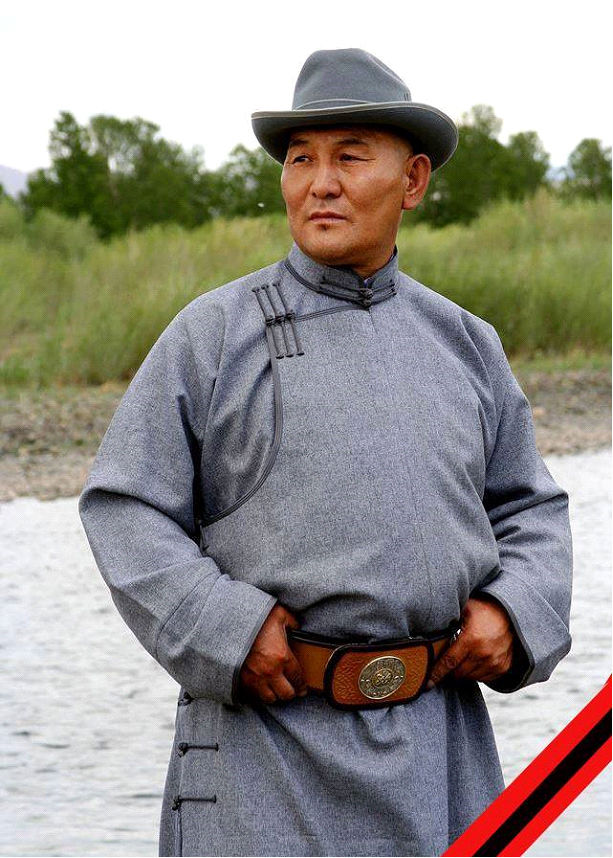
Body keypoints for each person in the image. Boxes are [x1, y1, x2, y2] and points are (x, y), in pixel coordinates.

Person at [78, 48, 573, 857]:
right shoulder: (212, 336)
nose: (320, 183)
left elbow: (529, 507)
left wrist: (513, 610)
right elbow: (124, 506)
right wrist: (224, 628)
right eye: (300, 159)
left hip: (442, 753)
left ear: (411, 181)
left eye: (348, 156)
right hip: (263, 759)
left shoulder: (465, 343)